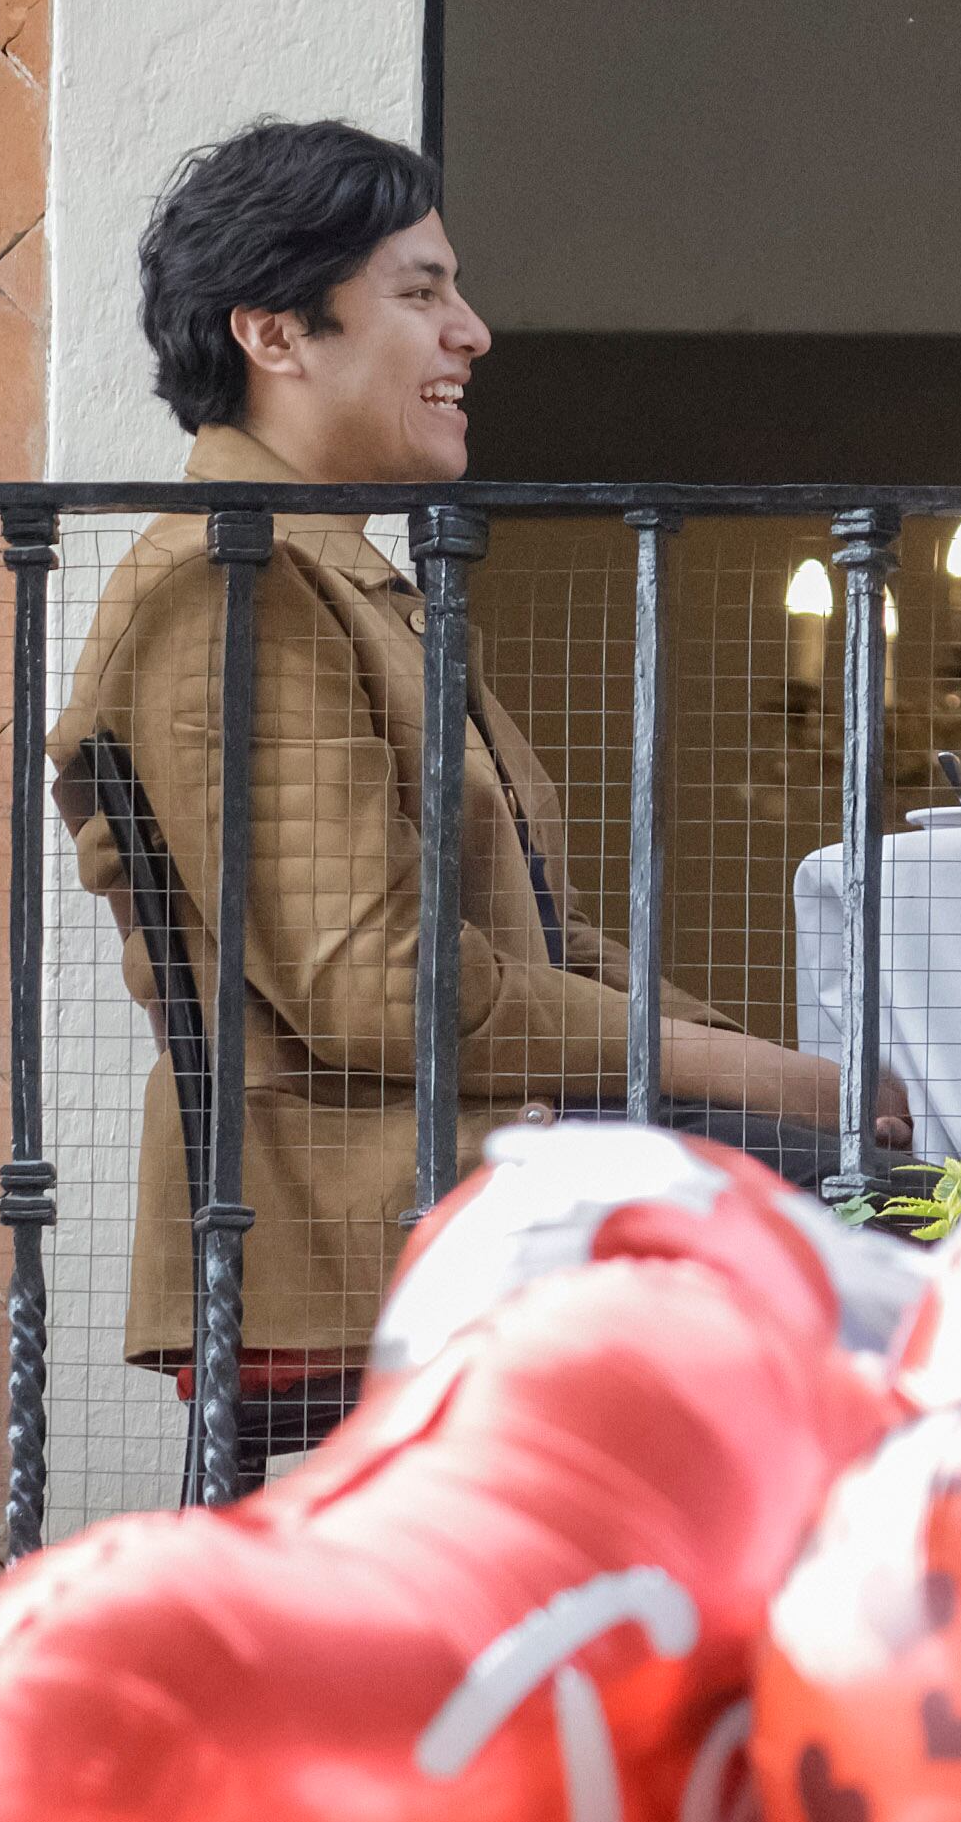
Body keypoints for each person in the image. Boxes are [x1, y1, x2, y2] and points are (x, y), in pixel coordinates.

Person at [48, 119, 915, 1428]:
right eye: (421, 292)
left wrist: (767, 1065)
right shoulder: (236, 583)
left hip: (478, 1169)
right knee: (920, 1248)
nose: (473, 332)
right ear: (274, 334)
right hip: (380, 1211)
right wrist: (754, 1077)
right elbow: (376, 983)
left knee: (922, 1208)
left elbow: (535, 945)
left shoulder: (329, 577)